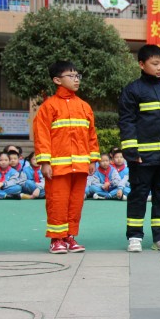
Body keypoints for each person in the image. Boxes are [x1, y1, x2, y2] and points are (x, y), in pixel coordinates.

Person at [118, 44, 160, 253]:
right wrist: (131, 151)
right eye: (155, 64)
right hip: (143, 157)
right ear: (141, 64)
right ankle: (134, 236)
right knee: (139, 195)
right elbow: (127, 122)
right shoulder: (133, 90)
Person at [33, 61, 99, 253]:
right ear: (57, 80)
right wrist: (45, 162)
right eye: (71, 76)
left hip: (79, 165)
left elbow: (91, 135)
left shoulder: (84, 106)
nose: (76, 79)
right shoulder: (48, 107)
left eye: (77, 75)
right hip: (57, 167)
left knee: (75, 203)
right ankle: (56, 239)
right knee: (57, 201)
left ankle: (70, 236)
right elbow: (42, 136)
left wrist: (93, 159)